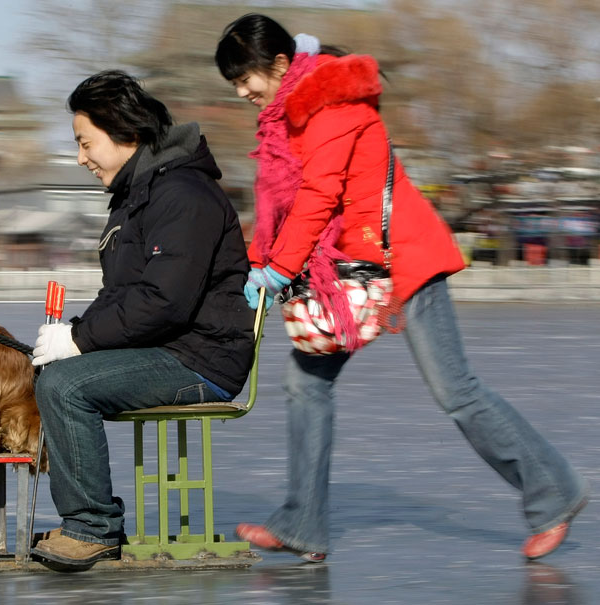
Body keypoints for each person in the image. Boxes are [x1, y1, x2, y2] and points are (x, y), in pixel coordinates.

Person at [214, 13, 588, 563]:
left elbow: (319, 195)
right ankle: (303, 523)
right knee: (305, 384)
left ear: (279, 64)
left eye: (247, 77)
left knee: (455, 391)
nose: (243, 91)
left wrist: (276, 268)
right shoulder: (286, 116)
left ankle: (555, 492)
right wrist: (258, 262)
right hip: (349, 274)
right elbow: (286, 205)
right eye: (234, 83)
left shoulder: (329, 103)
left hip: (402, 261)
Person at [29, 70, 256, 567]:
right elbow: (123, 296)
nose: (80, 157)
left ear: (126, 133)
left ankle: (92, 527)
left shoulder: (183, 195)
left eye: (86, 143)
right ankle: (84, 519)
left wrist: (82, 340)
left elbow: (164, 301)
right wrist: (70, 334)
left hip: (201, 359)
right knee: (51, 374)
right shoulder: (138, 197)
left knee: (66, 387)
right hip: (167, 348)